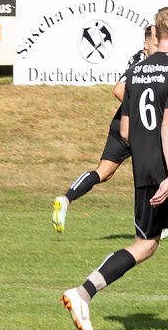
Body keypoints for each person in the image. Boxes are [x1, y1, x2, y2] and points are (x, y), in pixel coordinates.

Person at [62, 6, 168, 330]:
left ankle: (82, 293)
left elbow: (125, 129)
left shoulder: (135, 72)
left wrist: (149, 159)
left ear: (156, 32)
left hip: (144, 169)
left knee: (146, 244)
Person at [52, 26, 159, 234]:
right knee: (158, 171)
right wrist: (139, 114)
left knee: (104, 172)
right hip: (136, 126)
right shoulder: (142, 63)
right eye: (156, 43)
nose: (160, 46)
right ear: (145, 44)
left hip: (121, 123)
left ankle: (65, 199)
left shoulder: (142, 59)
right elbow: (118, 90)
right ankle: (160, 224)